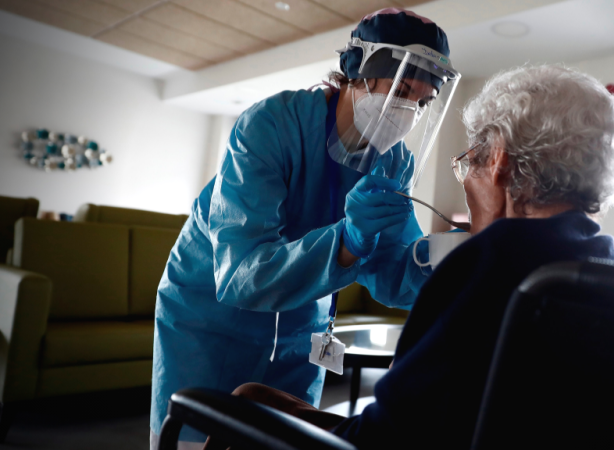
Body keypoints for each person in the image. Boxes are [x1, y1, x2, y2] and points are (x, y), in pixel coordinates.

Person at [212, 64, 614, 449]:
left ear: (500, 158)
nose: (467, 180)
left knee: (245, 399)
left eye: (470, 161)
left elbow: (385, 436)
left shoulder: (479, 266)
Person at [149, 8, 462, 447]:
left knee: (288, 439)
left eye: (422, 102)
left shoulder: (394, 161)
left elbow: (392, 273)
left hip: (305, 320)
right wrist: (347, 242)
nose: (408, 111)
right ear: (357, 72)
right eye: (400, 90)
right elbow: (241, 275)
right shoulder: (271, 126)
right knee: (197, 437)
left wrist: (451, 260)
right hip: (211, 318)